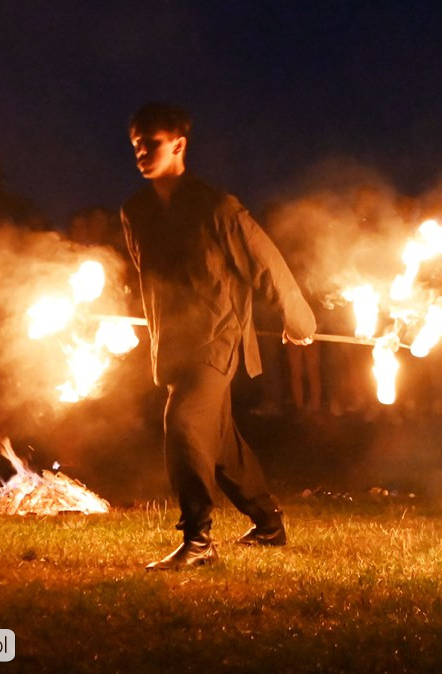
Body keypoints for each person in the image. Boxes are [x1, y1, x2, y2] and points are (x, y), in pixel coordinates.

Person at [120, 102, 316, 571]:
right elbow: (147, 274)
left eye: (152, 143)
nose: (142, 153)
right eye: (136, 146)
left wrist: (298, 318)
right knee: (221, 441)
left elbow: (263, 259)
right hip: (173, 343)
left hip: (217, 338)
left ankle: (198, 540)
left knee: (185, 423)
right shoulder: (136, 211)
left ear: (179, 145)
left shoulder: (216, 206)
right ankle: (269, 523)